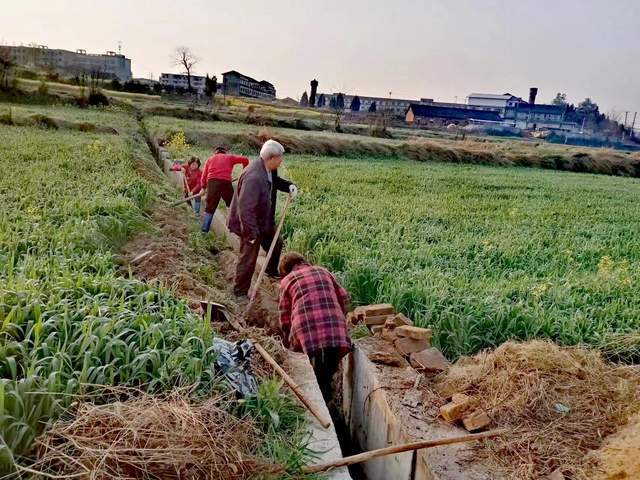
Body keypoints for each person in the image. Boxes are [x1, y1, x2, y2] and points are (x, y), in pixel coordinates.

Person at [227, 139, 298, 298]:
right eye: (280, 158)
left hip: (264, 221)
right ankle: (239, 294)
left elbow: (275, 182)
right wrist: (251, 235)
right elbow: (246, 210)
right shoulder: (254, 177)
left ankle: (270, 272)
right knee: (248, 259)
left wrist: (289, 186)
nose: (281, 161)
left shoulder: (268, 169)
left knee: (277, 242)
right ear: (271, 158)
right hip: (251, 225)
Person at [278, 252, 352, 403]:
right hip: (335, 332)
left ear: (286, 270)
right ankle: (328, 399)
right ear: (303, 261)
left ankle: (316, 404)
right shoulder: (323, 271)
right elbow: (344, 297)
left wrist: (286, 341)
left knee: (310, 374)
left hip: (306, 334)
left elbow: (284, 317)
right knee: (327, 372)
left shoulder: (287, 281)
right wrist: (339, 319)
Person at [200, 146, 250, 233]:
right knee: (231, 205)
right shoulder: (230, 157)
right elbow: (245, 159)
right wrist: (243, 172)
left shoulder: (210, 159)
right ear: (224, 152)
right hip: (226, 182)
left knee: (210, 208)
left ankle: (204, 230)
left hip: (213, 183)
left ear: (216, 152)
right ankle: (232, 227)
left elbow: (204, 174)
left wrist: (203, 187)